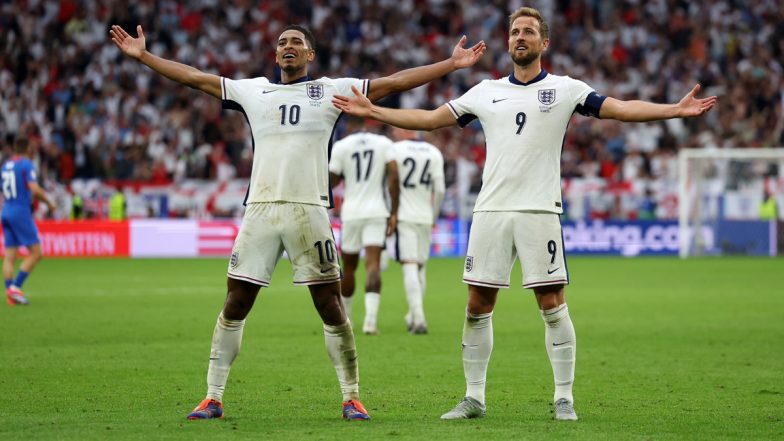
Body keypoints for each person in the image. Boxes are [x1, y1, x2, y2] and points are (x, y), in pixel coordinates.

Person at [332, 6, 717, 421]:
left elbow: (620, 108)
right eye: (515, 31)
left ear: (543, 43)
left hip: (539, 210)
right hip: (491, 210)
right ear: (508, 41)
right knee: (477, 303)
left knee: (552, 302)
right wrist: (375, 112)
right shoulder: (484, 91)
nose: (520, 37)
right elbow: (429, 120)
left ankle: (564, 397)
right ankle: (473, 397)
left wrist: (673, 110)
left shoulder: (567, 89)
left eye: (529, 32)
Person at [110, 23, 486, 421]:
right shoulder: (254, 90)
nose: (288, 47)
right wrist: (145, 57)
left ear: (310, 55)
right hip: (261, 209)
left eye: (297, 43)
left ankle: (352, 396)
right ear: (275, 56)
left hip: (310, 211)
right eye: (282, 43)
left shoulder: (330, 90)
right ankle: (213, 396)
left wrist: (450, 63)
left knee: (330, 304)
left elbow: (393, 83)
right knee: (236, 301)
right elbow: (194, 77)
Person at [329, 119, 399, 335]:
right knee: (373, 265)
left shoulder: (342, 146)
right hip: (377, 211)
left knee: (348, 268)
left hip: (351, 212)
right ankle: (370, 322)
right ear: (366, 124)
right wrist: (394, 211)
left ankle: (346, 319)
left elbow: (331, 181)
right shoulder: (383, 143)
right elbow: (394, 177)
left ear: (349, 126)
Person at [389, 127, 445, 334]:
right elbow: (439, 190)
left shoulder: (394, 149)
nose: (394, 132)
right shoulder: (434, 152)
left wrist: (391, 212)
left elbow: (390, 182)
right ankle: (413, 315)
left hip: (404, 215)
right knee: (421, 266)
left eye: (396, 128)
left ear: (404, 129)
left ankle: (419, 319)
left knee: (409, 265)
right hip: (425, 215)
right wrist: (434, 215)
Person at [2, 137, 56, 306]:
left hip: (6, 210)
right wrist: (49, 202)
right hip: (20, 211)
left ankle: (10, 295)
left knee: (10, 256)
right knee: (37, 253)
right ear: (27, 149)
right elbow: (34, 188)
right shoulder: (26, 164)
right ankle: (15, 288)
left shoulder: (5, 166)